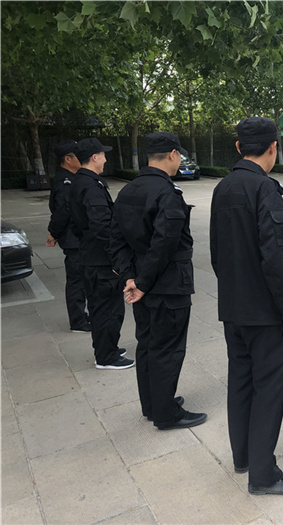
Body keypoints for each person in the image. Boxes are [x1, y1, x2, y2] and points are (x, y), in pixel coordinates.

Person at [210, 117, 283, 496]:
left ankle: (244, 457)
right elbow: (276, 259)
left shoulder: (222, 187)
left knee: (241, 382)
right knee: (268, 389)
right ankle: (263, 475)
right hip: (265, 313)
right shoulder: (265, 189)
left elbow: (217, 254)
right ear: (273, 147)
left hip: (233, 308)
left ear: (238, 147)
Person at [111, 132, 206, 430]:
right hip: (167, 285)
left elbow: (116, 240)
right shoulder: (167, 193)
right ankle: (166, 414)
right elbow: (164, 244)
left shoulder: (128, 190)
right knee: (167, 348)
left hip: (142, 284)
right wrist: (141, 282)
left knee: (148, 344)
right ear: (173, 154)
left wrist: (130, 276)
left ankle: (153, 404)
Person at [70, 138, 132, 370]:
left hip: (91, 255)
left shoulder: (82, 181)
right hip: (101, 261)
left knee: (100, 308)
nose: (106, 159)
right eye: (103, 155)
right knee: (109, 309)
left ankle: (106, 348)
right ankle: (107, 357)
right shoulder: (90, 186)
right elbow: (102, 226)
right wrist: (117, 256)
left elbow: (78, 224)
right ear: (94, 157)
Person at [46, 140, 91, 332]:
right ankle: (78, 321)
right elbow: (63, 210)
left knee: (81, 279)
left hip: (77, 237)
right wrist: (54, 232)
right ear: (68, 159)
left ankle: (81, 315)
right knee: (76, 281)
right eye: (78, 156)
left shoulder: (72, 178)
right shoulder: (65, 182)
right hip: (74, 239)